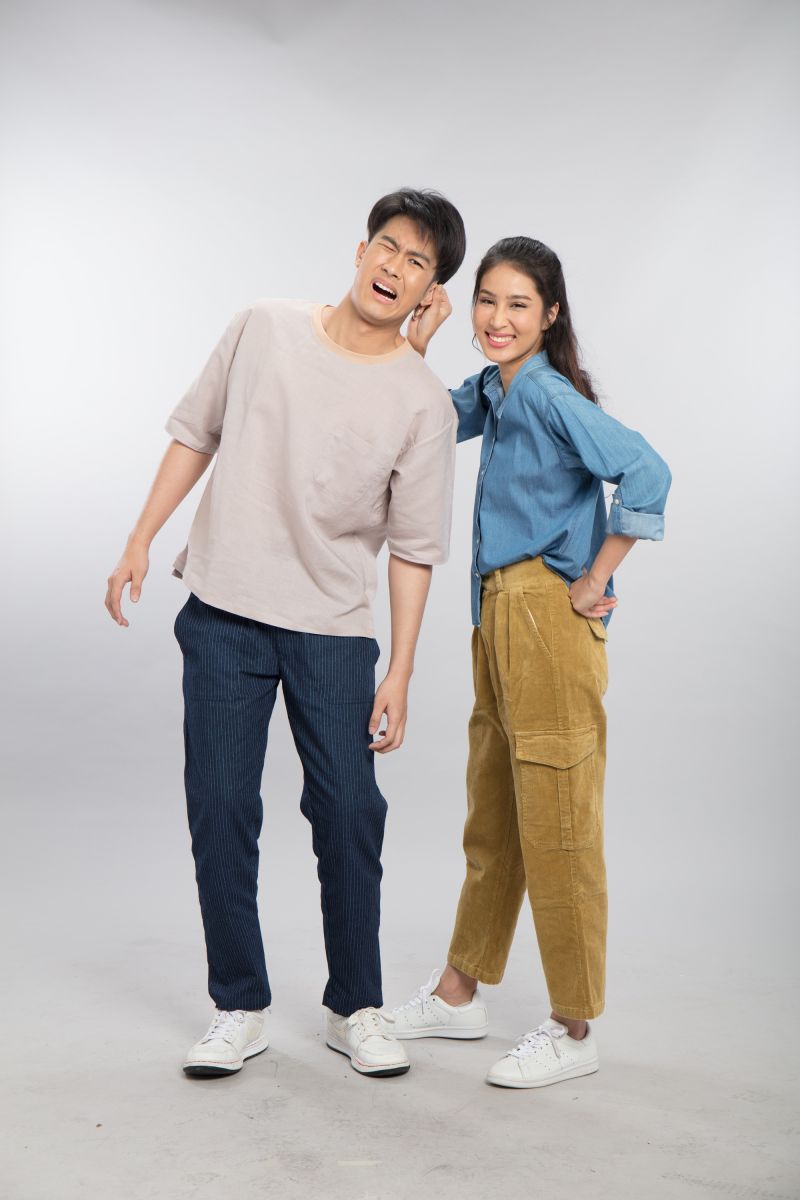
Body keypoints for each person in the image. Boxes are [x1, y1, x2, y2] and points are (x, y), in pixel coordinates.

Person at [104, 188, 466, 1079]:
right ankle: (238, 1005)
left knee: (349, 812)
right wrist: (142, 537)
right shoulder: (263, 325)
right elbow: (196, 435)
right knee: (220, 806)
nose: (394, 267)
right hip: (224, 611)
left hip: (333, 630)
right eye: (388, 247)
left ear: (431, 291)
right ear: (360, 250)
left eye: (417, 262)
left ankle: (356, 1006)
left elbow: (415, 550)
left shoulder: (424, 403)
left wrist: (401, 670)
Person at [387, 236, 671, 1088]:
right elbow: (419, 423)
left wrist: (596, 577)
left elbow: (646, 470)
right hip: (496, 616)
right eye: (486, 300)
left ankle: (574, 1027)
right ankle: (459, 991)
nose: (498, 318)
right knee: (498, 815)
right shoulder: (495, 389)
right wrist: (416, 340)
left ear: (550, 315)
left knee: (558, 820)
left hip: (545, 615)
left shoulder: (545, 392)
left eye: (518, 304)